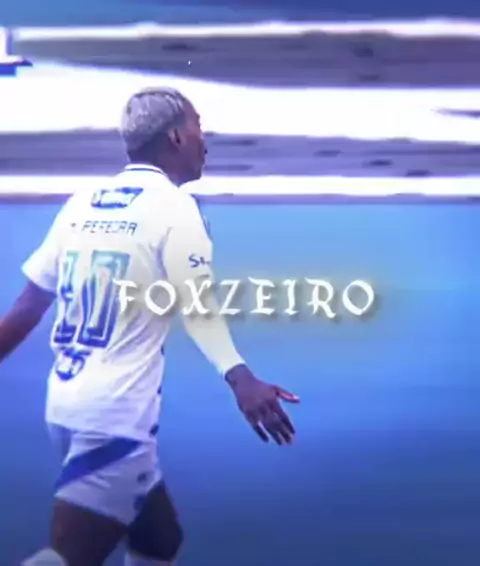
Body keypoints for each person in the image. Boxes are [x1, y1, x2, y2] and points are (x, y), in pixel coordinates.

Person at [0, 87, 299, 566]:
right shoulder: (176, 210)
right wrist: (241, 378)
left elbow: (27, 307)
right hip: (116, 419)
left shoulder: (82, 204)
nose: (205, 141)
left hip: (65, 408)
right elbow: (197, 306)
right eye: (199, 127)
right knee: (68, 557)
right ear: (176, 137)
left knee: (160, 538)